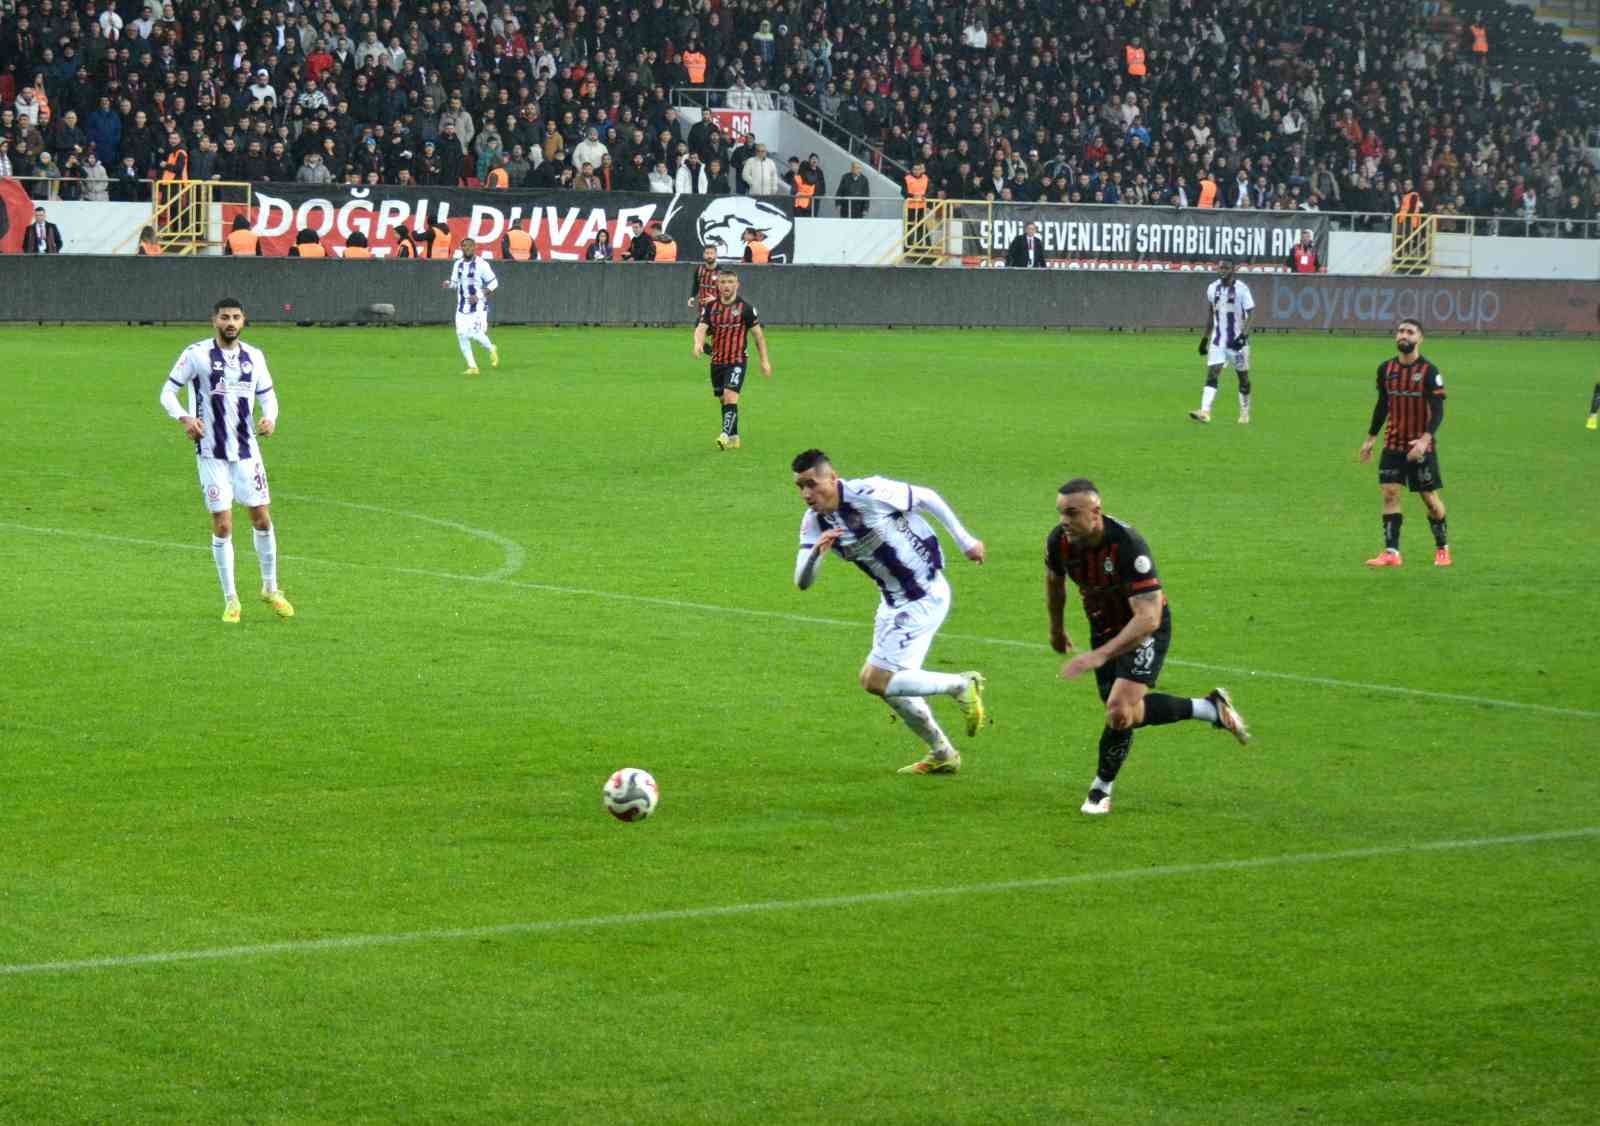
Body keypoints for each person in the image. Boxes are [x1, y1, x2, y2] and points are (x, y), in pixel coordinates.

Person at [1048, 478, 1249, 814]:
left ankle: (1100, 790)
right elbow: (1054, 582)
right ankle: (1209, 708)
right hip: (1103, 627)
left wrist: (1099, 655)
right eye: (1060, 513)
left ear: (1095, 512)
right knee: (1127, 715)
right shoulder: (1059, 541)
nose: (1064, 521)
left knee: (1117, 710)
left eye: (1072, 513)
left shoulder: (1127, 544)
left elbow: (1149, 617)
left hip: (1143, 629)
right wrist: (1056, 628)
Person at [791, 448, 989, 775]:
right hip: (892, 604)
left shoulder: (869, 492)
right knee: (892, 687)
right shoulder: (814, 522)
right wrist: (816, 553)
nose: (806, 494)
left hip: (923, 595)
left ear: (833, 478)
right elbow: (802, 581)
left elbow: (926, 497)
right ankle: (943, 753)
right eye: (800, 487)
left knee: (874, 680)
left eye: (812, 484)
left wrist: (965, 541)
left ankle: (960, 685)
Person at [158, 297, 294, 623]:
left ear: (243, 321)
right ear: (214, 321)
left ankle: (270, 588)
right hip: (211, 452)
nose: (230, 323)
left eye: (235, 317)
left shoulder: (254, 357)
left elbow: (268, 396)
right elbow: (167, 393)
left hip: (247, 450)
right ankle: (231, 599)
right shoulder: (196, 355)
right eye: (224, 317)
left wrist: (270, 418)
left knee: (262, 518)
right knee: (223, 524)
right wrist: (185, 418)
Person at [1358, 319, 1450, 567]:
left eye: (1410, 332)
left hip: (1420, 446)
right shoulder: (1386, 369)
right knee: (1390, 494)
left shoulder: (1430, 371)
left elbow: (1438, 411)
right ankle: (1391, 552)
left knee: (1430, 500)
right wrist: (1370, 438)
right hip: (1393, 444)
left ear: (1420, 338)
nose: (1404, 335)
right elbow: (1382, 405)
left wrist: (1425, 440)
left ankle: (1442, 547)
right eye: (1400, 331)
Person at [691, 269, 772, 450]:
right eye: (723, 282)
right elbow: (701, 328)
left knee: (730, 397)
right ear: (718, 285)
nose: (726, 285)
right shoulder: (711, 307)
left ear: (737, 285)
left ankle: (724, 435)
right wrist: (698, 343)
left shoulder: (746, 308)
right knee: (723, 399)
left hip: (737, 360)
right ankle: (734, 436)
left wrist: (764, 360)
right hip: (717, 361)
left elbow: (758, 336)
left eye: (730, 282)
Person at [1191, 258, 1254, 424]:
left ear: (1233, 269)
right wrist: (1204, 339)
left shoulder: (1242, 289)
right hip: (1218, 342)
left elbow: (1251, 314)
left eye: (1226, 268)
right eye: (1220, 268)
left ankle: (1244, 412)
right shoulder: (1212, 288)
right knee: (1212, 373)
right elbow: (1211, 315)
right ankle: (1205, 411)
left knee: (1243, 379)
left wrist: (1243, 336)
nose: (1222, 271)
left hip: (1237, 344)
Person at [442, 237, 499, 375]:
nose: (467, 248)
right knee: (461, 335)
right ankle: (473, 367)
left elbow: (494, 283)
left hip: (478, 306)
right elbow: (455, 283)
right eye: (464, 246)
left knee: (476, 335)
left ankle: (491, 348)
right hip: (462, 306)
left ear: (475, 247)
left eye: (470, 246)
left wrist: (478, 295)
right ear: (461, 248)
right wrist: (449, 284)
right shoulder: (458, 264)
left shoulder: (482, 264)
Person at [687, 243, 718, 312]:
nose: (709, 256)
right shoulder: (699, 270)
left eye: (712, 253)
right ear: (703, 255)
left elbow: (725, 292)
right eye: (707, 253)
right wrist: (692, 297)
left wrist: (716, 299)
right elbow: (696, 284)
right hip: (702, 305)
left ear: (716, 255)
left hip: (716, 306)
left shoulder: (721, 272)